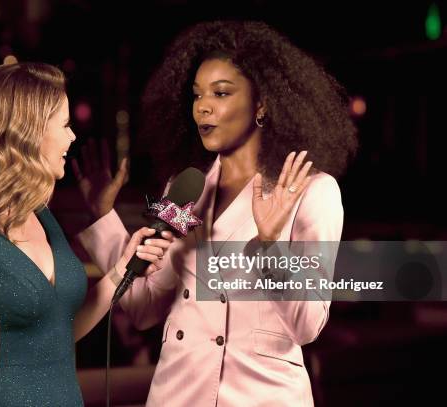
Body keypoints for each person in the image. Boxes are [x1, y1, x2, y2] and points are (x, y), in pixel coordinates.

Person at [75, 21, 357, 406]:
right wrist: (103, 215)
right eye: (196, 95)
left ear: (262, 103)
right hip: (178, 395)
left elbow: (307, 327)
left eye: (221, 93)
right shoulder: (185, 186)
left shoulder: (312, 191)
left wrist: (271, 245)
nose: (203, 106)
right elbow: (143, 309)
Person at [0, 62, 174, 406]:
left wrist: (119, 272)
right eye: (65, 124)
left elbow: (57, 334)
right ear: (28, 130)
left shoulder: (43, 218)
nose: (72, 136)